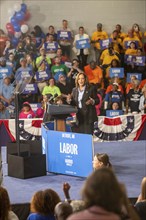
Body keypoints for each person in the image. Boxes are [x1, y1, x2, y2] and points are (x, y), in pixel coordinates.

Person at [67, 168, 140, 220]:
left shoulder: (73, 218)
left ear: (87, 192)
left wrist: (67, 195)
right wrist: (124, 199)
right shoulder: (118, 217)